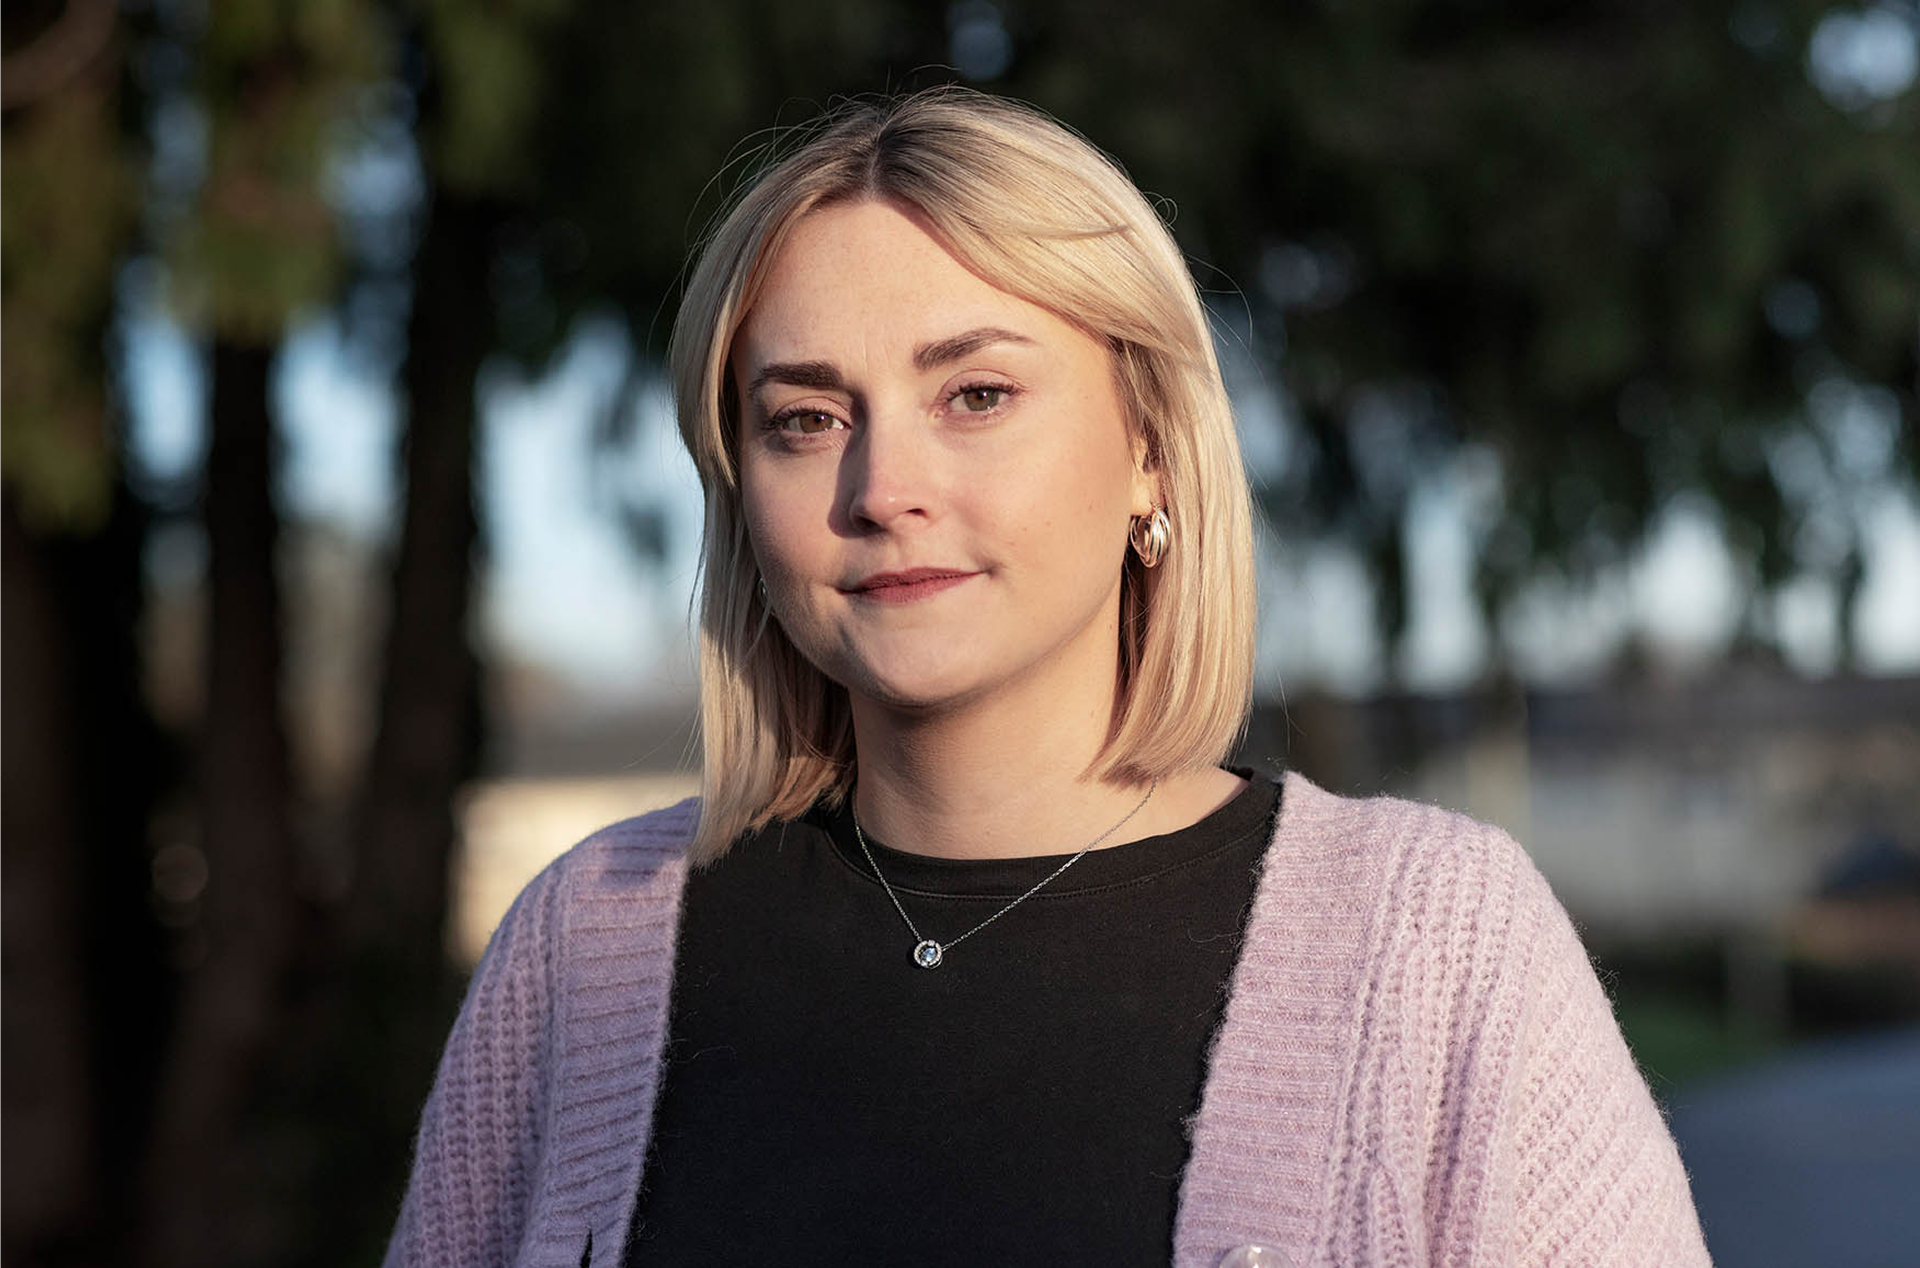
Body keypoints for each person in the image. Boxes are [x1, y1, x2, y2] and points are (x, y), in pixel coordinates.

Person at [383, 88, 1711, 1268]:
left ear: (1149, 449)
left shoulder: (1436, 947)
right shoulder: (587, 949)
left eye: (974, 395)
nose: (883, 489)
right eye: (804, 419)